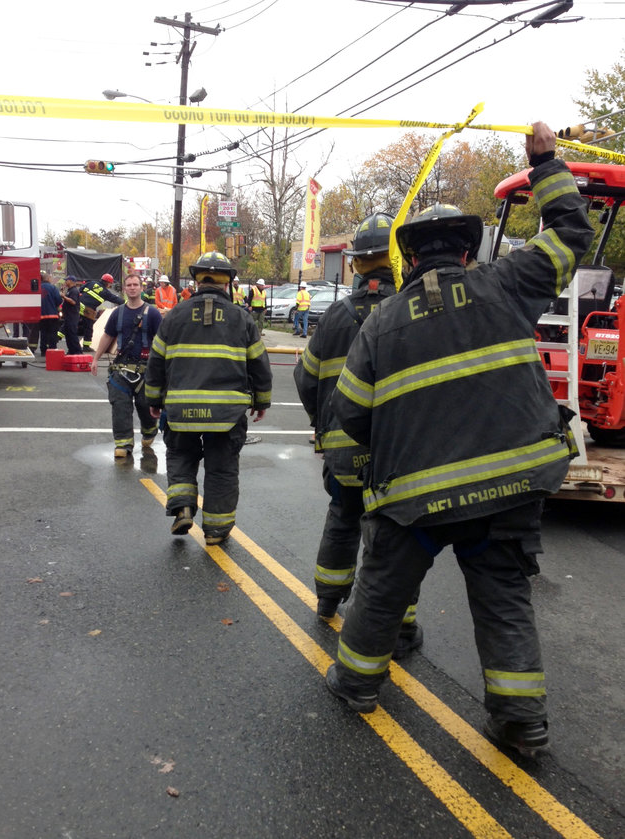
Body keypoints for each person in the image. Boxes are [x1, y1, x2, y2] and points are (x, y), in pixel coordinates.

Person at [324, 122, 595, 759]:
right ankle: (521, 721)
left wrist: (359, 484)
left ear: (411, 261)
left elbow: (350, 415)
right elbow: (573, 235)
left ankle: (358, 684)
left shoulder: (383, 323)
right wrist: (546, 164)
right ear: (468, 253)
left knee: (383, 589)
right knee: (503, 601)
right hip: (510, 491)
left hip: (416, 500)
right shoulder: (511, 284)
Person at [294, 212, 422, 657]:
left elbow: (306, 378)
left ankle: (328, 599)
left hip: (344, 450)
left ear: (355, 263)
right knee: (396, 540)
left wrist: (323, 425)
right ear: (398, 258)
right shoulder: (412, 310)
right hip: (397, 454)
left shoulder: (334, 317)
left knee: (343, 519)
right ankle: (402, 627)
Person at [145, 251, 272, 544]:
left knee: (180, 457)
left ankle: (183, 508)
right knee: (222, 469)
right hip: (226, 415)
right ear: (228, 283)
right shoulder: (242, 318)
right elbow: (259, 364)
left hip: (180, 410)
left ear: (197, 280)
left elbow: (156, 361)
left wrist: (154, 400)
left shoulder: (174, 315)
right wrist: (261, 401)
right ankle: (215, 531)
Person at [91, 273, 162, 458]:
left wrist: (166, 366)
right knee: (120, 406)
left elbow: (162, 341)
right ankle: (123, 443)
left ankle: (149, 429)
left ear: (141, 288)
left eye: (135, 284)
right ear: (124, 289)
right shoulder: (117, 313)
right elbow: (107, 336)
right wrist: (95, 358)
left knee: (145, 405)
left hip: (146, 369)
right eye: (129, 285)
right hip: (121, 369)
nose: (132, 287)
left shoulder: (152, 313)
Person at [79, 273, 124, 352]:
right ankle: (86, 346)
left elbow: (81, 289)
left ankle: (57, 337)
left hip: (78, 306)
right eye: (110, 283)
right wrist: (128, 303)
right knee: (88, 328)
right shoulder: (105, 292)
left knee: (70, 324)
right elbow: (116, 300)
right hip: (88, 310)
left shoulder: (91, 283)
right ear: (108, 283)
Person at [39, 272, 63, 356]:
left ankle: (43, 350)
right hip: (52, 315)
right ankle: (52, 349)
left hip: (41, 315)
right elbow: (58, 300)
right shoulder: (53, 288)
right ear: (48, 279)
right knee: (52, 333)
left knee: (43, 333)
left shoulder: (38, 287)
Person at [60, 275, 83, 355]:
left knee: (72, 334)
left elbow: (73, 302)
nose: (65, 282)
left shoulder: (74, 291)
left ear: (71, 281)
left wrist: (64, 297)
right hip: (68, 316)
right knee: (68, 335)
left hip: (72, 316)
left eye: (67, 280)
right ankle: (71, 351)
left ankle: (78, 351)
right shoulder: (69, 290)